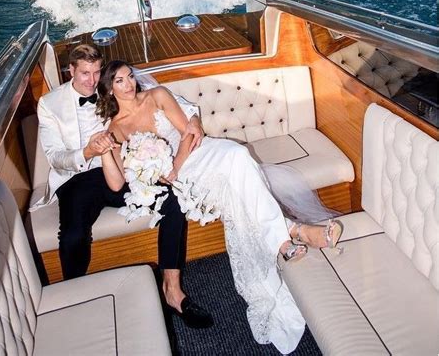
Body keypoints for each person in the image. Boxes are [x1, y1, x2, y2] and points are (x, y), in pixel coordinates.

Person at [97, 61, 343, 355]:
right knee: (237, 186)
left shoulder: (157, 95)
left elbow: (186, 131)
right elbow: (123, 179)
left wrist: (175, 165)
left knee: (238, 155)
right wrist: (144, 167)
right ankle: (291, 232)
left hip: (196, 154)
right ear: (111, 90)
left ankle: (285, 238)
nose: (129, 84)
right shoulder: (116, 128)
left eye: (130, 77)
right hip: (179, 180)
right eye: (120, 81)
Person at [35, 44, 213, 329]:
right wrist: (89, 152)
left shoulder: (113, 86)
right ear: (71, 71)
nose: (92, 81)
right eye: (84, 74)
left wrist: (193, 119)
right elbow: (55, 157)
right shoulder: (49, 103)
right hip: (79, 177)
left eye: (96, 73)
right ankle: (75, 300)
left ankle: (172, 291)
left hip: (124, 170)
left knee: (173, 202)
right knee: (73, 235)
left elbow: (167, 100)